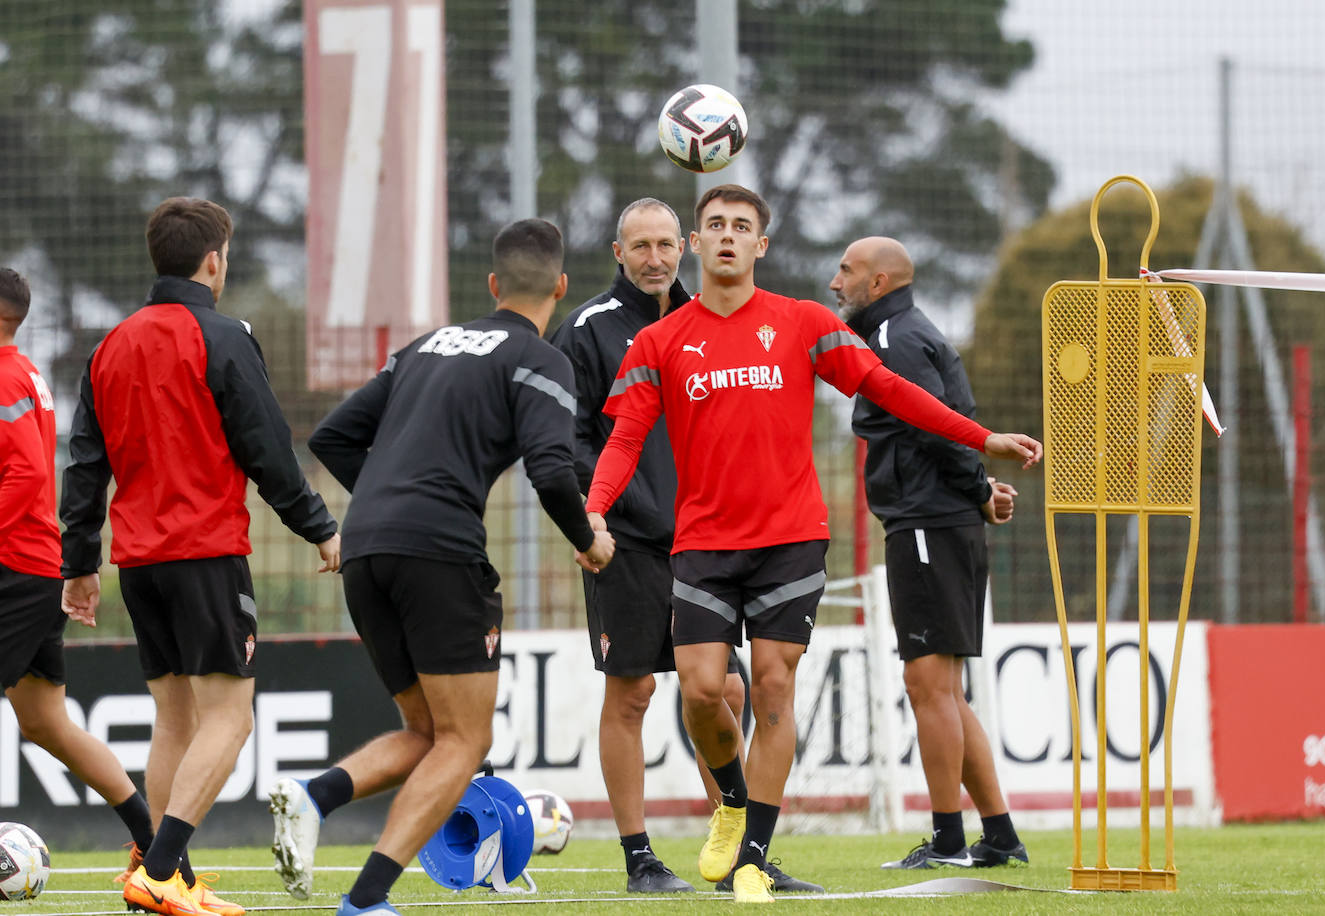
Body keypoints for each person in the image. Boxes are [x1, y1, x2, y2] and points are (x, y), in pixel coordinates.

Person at [584, 184, 1042, 904]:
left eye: (742, 227)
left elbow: (891, 389)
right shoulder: (658, 341)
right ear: (695, 247)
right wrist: (595, 513)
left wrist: (981, 438)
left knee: (770, 687)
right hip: (701, 543)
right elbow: (625, 438)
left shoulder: (803, 324)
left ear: (760, 246)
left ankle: (753, 860)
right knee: (705, 693)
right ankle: (734, 805)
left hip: (791, 539)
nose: (728, 236)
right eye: (715, 226)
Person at [274, 218, 614, 916]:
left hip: (365, 547)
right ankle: (366, 901)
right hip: (438, 553)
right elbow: (552, 471)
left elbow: (334, 435)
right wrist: (588, 539)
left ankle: (317, 796)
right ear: (561, 287)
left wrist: (385, 500)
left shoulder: (423, 346)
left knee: (428, 733)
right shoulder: (542, 358)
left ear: (492, 285)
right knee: (466, 739)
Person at [60, 198, 342, 916]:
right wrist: (319, 526)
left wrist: (80, 563)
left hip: (139, 562)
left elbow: (85, 465)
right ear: (214, 259)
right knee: (231, 716)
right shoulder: (223, 336)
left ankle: (171, 877)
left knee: (175, 719)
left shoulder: (110, 346)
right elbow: (269, 447)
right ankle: (157, 871)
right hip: (206, 553)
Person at [550, 199, 818, 894]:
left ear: (685, 247)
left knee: (724, 687)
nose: (655, 257)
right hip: (630, 540)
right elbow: (574, 440)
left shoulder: (705, 318)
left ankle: (739, 850)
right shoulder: (588, 330)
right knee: (632, 692)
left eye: (666, 244)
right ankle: (639, 855)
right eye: (640, 245)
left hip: (706, 542)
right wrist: (609, 516)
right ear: (617, 251)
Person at [831, 235, 1030, 871]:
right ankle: (997, 834)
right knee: (945, 689)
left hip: (925, 525)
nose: (836, 283)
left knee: (927, 686)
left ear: (879, 282)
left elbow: (934, 424)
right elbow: (949, 430)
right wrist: (979, 493)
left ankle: (948, 841)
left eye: (848, 271)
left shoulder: (892, 341)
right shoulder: (912, 333)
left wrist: (976, 491)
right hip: (943, 523)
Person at [0, 267, 160, 891]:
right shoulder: (28, 373)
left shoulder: (8, 375)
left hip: (14, 567)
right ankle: (156, 845)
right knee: (44, 722)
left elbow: (24, 478)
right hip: (35, 565)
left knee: (48, 722)